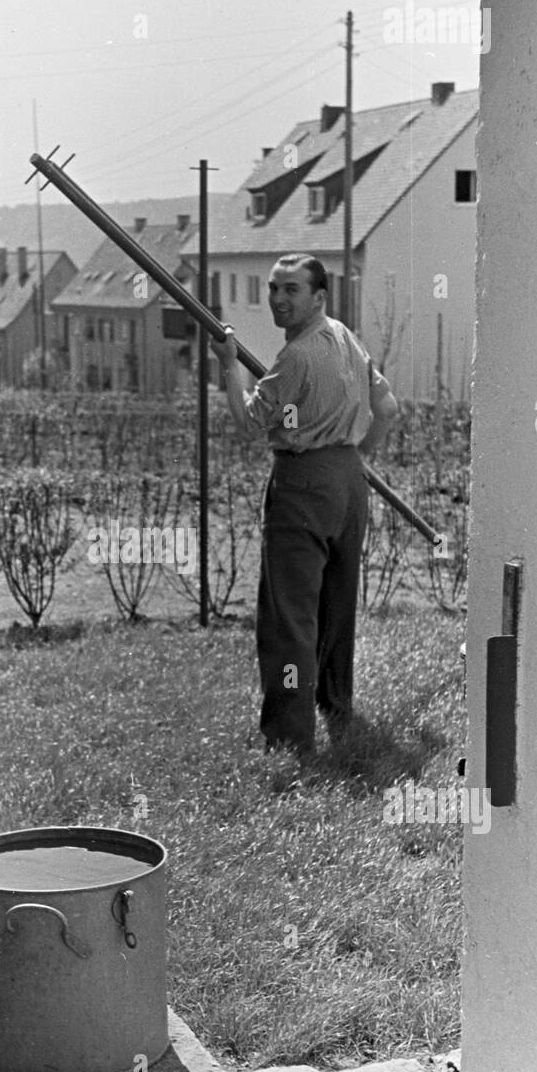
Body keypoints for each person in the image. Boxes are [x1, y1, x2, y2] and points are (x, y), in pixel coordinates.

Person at [211, 254, 398, 755]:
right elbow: (387, 408)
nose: (277, 299)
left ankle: (289, 738)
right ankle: (336, 707)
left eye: (291, 290)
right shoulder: (344, 336)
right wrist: (353, 458)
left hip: (303, 485)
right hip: (348, 482)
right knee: (336, 605)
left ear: (318, 297)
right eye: (274, 288)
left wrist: (229, 367)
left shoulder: (295, 358)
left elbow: (252, 422)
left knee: (290, 614)